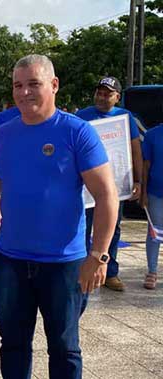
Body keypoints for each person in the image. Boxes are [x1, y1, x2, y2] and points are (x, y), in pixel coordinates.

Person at [0, 55, 118, 379]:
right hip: (12, 259)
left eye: (33, 84)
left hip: (65, 263)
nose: (24, 92)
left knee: (64, 346)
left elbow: (107, 195)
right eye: (18, 85)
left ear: (53, 85)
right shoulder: (4, 134)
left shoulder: (76, 132)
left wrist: (98, 255)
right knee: (12, 341)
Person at [76, 76, 144, 292]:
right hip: (86, 187)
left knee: (112, 228)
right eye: (99, 93)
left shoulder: (125, 117)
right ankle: (80, 268)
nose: (102, 97)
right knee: (83, 226)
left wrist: (138, 180)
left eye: (107, 94)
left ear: (117, 97)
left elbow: (135, 149)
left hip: (115, 186)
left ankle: (110, 272)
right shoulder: (82, 116)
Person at [142, 123, 163, 289]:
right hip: (156, 192)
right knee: (154, 232)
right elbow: (146, 165)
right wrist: (143, 192)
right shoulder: (152, 134)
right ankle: (152, 271)